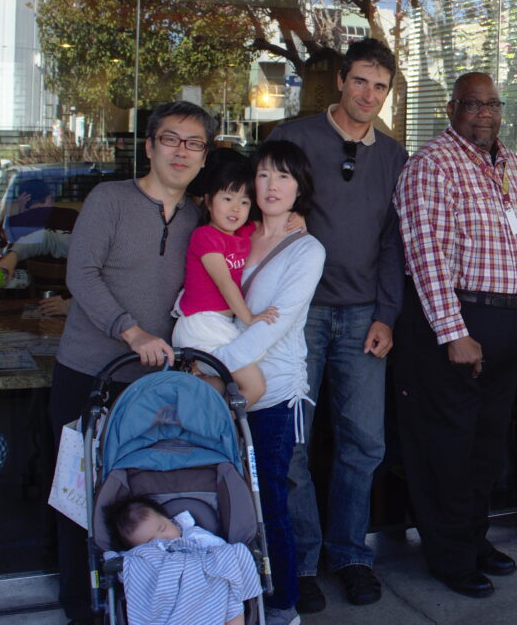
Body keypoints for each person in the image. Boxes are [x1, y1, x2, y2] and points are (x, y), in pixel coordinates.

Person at [52, 100, 214, 624]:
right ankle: (82, 607)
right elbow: (82, 274)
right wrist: (131, 329)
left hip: (155, 387)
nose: (181, 151)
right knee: (80, 495)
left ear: (205, 156)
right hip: (88, 373)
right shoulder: (110, 199)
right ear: (149, 146)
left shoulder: (200, 217)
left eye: (194, 143)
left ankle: (138, 603)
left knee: (139, 498)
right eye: (171, 139)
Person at [267, 37, 407, 611]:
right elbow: (262, 213)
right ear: (341, 82)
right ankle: (299, 561)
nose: (369, 94)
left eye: (380, 86)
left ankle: (350, 554)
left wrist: (388, 315)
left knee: (363, 442)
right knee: (293, 444)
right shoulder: (292, 138)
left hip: (362, 319)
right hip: (295, 316)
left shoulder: (394, 155)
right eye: (360, 82)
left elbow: (396, 243)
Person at [394, 72, 517, 598]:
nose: (484, 113)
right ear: (452, 108)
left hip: (509, 322)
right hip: (458, 321)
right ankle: (449, 557)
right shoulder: (432, 165)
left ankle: (474, 540)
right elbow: (426, 257)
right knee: (446, 447)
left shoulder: (511, 163)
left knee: (486, 446)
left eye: (492, 104)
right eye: (473, 104)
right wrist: (455, 331)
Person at [212, 139, 325, 625]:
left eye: (283, 176)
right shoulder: (237, 232)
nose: (271, 185)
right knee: (226, 502)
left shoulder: (307, 248)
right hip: (224, 384)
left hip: (273, 392)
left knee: (270, 502)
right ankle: (232, 600)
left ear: (299, 186)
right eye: (262, 175)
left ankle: (283, 606)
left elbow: (274, 325)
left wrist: (210, 370)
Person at [172, 158, 278, 406]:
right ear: (208, 201)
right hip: (201, 326)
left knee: (217, 387)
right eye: (227, 199)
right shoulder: (205, 236)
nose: (235, 209)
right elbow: (225, 283)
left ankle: (187, 422)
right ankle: (220, 433)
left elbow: (273, 224)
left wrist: (298, 219)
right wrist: (249, 318)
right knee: (254, 385)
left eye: (244, 202)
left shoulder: (242, 232)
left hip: (219, 325)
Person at [105, 496, 261, 625]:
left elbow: (222, 552)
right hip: (171, 601)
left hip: (210, 590)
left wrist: (224, 557)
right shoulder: (140, 559)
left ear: (171, 521)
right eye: (151, 542)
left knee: (229, 589)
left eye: (163, 528)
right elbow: (129, 569)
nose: (163, 539)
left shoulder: (194, 536)